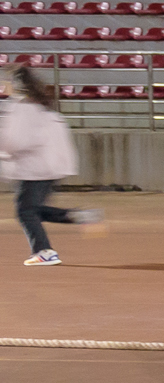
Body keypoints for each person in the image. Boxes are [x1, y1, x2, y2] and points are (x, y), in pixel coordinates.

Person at [2, 66, 98, 266]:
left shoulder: (24, 107)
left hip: (35, 168)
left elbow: (16, 141)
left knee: (26, 211)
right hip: (50, 167)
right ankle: (78, 216)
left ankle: (44, 251)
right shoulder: (41, 105)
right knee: (33, 209)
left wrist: (4, 153)